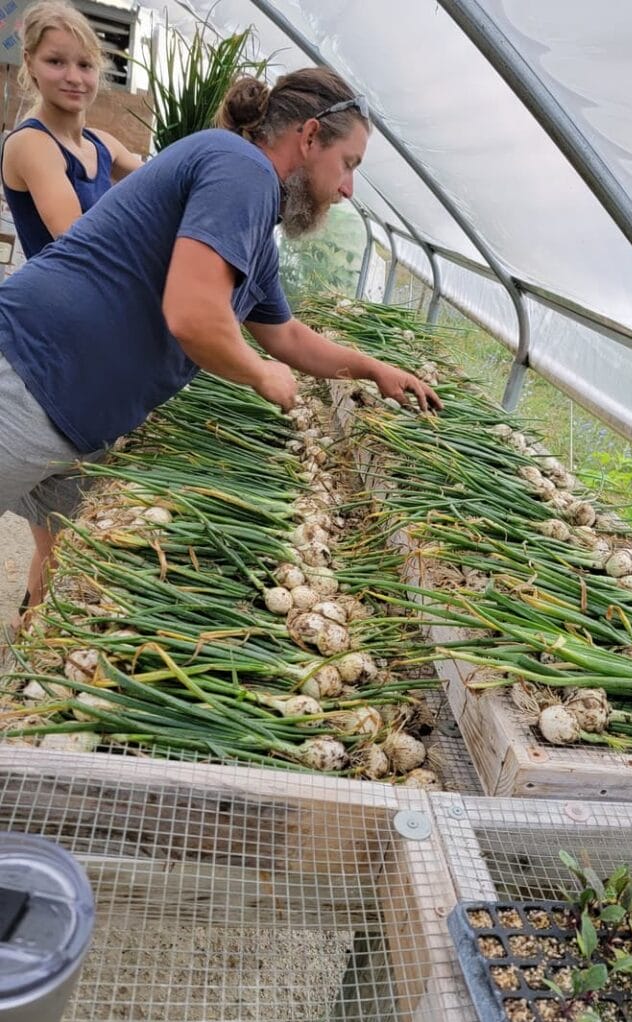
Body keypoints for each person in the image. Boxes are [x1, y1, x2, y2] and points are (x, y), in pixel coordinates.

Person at [0, 67, 442, 621]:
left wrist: (374, 369)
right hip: (32, 375)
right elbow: (193, 314)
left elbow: (286, 335)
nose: (348, 188)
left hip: (74, 413)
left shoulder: (255, 227)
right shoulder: (243, 170)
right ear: (308, 138)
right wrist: (260, 375)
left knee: (68, 562)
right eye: (349, 164)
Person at [1, 0, 141, 260]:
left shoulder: (103, 144)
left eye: (85, 65)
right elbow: (81, 245)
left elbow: (166, 183)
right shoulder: (31, 143)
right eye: (56, 62)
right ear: (29, 62)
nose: (74, 78)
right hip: (61, 298)